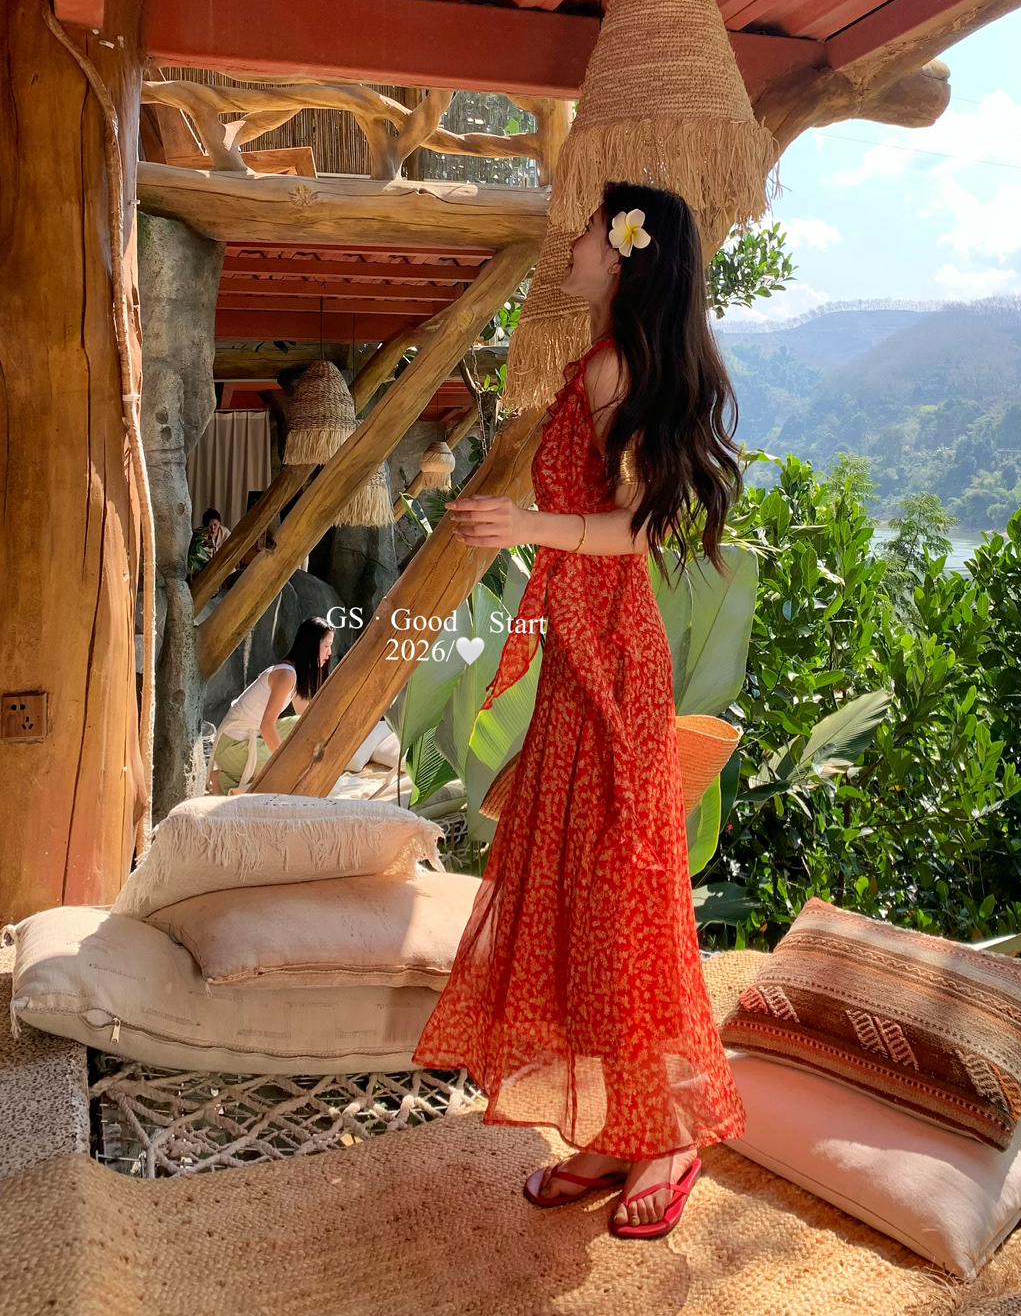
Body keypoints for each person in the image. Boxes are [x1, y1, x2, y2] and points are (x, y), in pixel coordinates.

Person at [413, 182, 747, 1241]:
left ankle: (670, 1133)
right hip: (586, 646)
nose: (573, 241)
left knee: (620, 894)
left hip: (611, 649)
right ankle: (616, 1126)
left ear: (625, 254)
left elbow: (637, 530)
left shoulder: (614, 369)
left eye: (590, 231)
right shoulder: (607, 360)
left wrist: (525, 523)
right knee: (586, 892)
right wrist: (528, 526)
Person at [205, 616, 334, 794]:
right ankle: (223, 781)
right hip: (230, 747)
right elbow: (267, 725)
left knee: (303, 727)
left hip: (252, 737)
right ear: (311, 645)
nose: (329, 652)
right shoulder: (286, 675)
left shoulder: (296, 674)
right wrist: (285, 763)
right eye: (326, 645)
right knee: (286, 770)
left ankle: (230, 779)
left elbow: (307, 718)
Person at [187, 507, 231, 576]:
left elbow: (230, 549)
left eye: (215, 525)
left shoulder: (225, 533)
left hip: (222, 563)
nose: (213, 529)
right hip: (205, 568)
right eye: (210, 526)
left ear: (219, 523)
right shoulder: (199, 535)